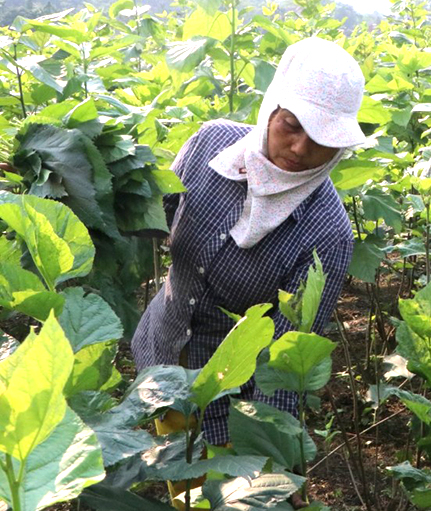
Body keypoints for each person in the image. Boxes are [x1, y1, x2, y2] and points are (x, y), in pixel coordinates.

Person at [132, 36, 365, 448]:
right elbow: (152, 214)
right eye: (291, 126)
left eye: (322, 140)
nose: (299, 148)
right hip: (162, 350)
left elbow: (283, 360)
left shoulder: (327, 234)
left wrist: (270, 454)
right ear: (271, 107)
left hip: (229, 401)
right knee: (180, 485)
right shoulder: (210, 144)